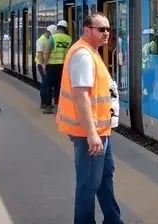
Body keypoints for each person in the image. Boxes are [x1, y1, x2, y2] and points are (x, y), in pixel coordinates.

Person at [56, 13, 122, 224]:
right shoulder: (83, 55)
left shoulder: (91, 52)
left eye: (108, 29)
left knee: (104, 177)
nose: (107, 33)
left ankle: (113, 219)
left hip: (102, 132)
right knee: (88, 183)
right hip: (89, 134)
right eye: (101, 29)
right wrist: (92, 134)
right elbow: (81, 95)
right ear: (87, 30)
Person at [43, 20, 72, 114]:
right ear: (65, 28)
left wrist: (44, 64)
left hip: (51, 65)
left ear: (58, 28)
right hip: (63, 66)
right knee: (59, 86)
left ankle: (48, 107)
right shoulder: (69, 39)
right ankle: (58, 105)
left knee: (48, 86)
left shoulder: (53, 37)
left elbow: (47, 51)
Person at [36, 24, 57, 109]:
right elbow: (40, 54)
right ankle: (43, 102)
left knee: (46, 83)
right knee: (45, 84)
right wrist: (43, 65)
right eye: (51, 33)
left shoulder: (48, 39)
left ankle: (45, 102)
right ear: (47, 32)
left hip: (46, 64)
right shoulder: (41, 40)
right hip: (42, 65)